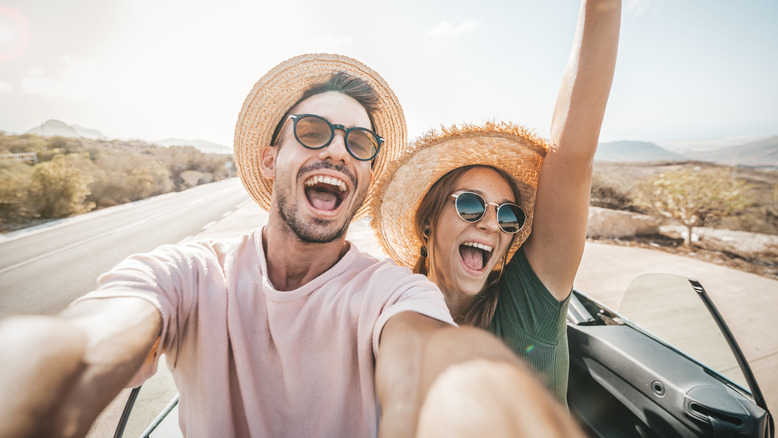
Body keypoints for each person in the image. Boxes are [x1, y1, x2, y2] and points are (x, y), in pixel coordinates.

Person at [0, 54, 583, 438]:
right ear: (269, 158)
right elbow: (89, 340)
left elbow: (427, 364)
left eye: (357, 143)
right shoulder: (188, 273)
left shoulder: (391, 291)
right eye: (312, 131)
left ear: (364, 179)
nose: (336, 151)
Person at [371, 0, 622, 404]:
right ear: (427, 222)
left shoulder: (526, 309)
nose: (492, 223)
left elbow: (572, 154)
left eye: (509, 215)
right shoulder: (384, 304)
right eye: (471, 205)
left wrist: (602, 9)